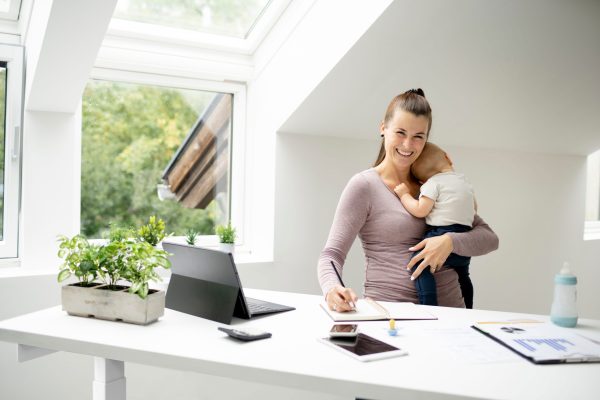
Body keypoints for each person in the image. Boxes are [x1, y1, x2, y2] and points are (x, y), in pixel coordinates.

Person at [317, 89, 498, 312]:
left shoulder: (432, 187)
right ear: (383, 128)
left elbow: (489, 238)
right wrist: (332, 289)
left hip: (452, 317)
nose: (407, 145)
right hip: (391, 316)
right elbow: (331, 255)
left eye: (418, 137)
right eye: (400, 133)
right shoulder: (364, 185)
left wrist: (450, 242)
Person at [394, 142, 476, 308]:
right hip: (463, 238)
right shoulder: (465, 183)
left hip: (441, 233)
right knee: (463, 275)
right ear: (447, 157)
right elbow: (474, 208)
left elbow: (420, 210)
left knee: (418, 263)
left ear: (422, 180)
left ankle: (428, 305)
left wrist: (404, 195)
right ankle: (469, 308)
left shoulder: (433, 183)